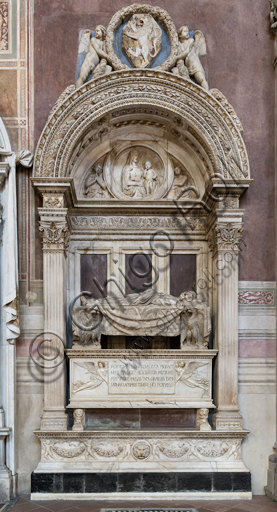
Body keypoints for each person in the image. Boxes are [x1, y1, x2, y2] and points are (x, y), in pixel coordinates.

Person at [172, 26, 209, 91]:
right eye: (185, 31)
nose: (187, 33)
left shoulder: (190, 40)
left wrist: (175, 58)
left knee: (201, 79)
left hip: (195, 64)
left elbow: (186, 52)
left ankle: (207, 94)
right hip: (188, 67)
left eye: (188, 31)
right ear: (180, 35)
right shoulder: (179, 45)